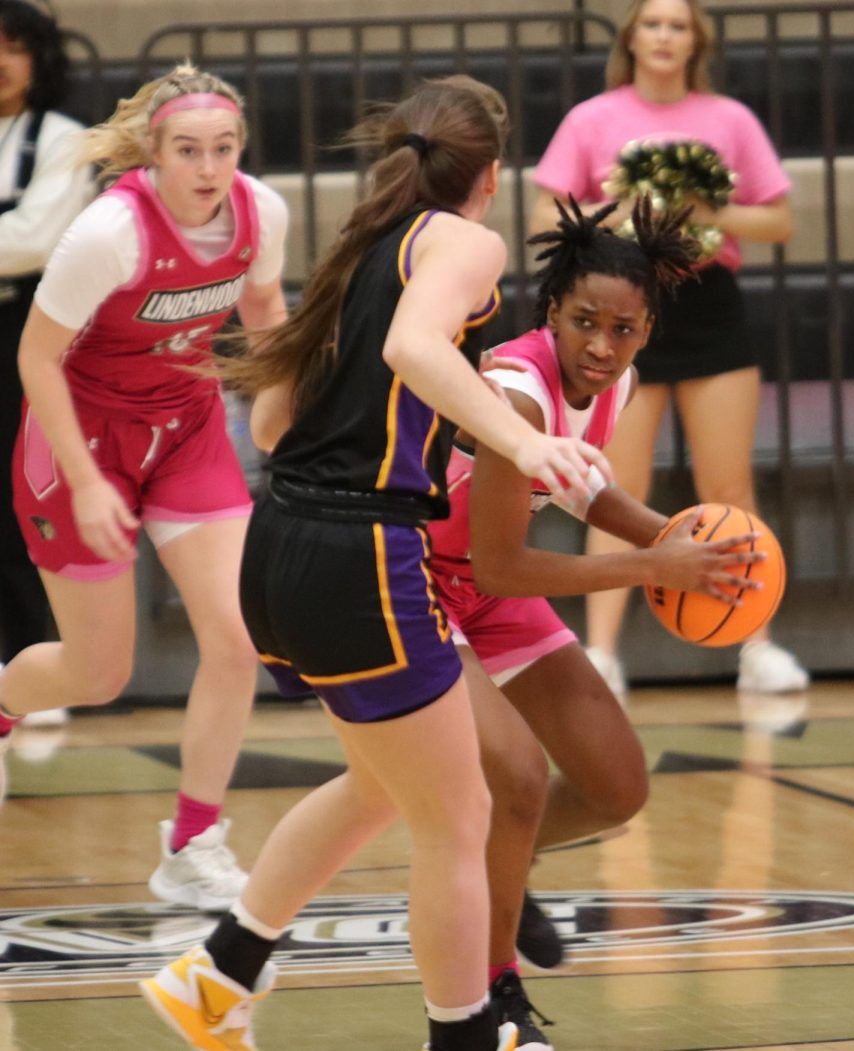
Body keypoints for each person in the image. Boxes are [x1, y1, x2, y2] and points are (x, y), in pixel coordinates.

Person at [141, 76, 611, 1051]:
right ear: (488, 173)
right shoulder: (463, 240)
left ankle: (218, 973)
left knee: (380, 785)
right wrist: (524, 447)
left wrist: (460, 425)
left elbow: (274, 419)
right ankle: (467, 1035)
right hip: (359, 550)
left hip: (282, 544)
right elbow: (412, 347)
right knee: (458, 811)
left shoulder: (365, 247)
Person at [427, 197, 761, 1048]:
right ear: (551, 312)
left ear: (647, 333)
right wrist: (656, 564)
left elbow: (582, 493)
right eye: (585, 323)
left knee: (617, 785)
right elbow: (503, 562)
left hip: (487, 586)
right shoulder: (518, 395)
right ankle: (496, 996)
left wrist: (683, 541)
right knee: (518, 778)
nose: (603, 346)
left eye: (624, 329)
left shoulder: (619, 384)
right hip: (415, 581)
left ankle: (505, 867)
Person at [0, 65, 290, 913]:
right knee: (98, 674)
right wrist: (87, 484)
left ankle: (194, 842)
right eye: (189, 150)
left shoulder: (259, 212)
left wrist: (285, 412)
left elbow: (266, 310)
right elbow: (35, 358)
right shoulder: (108, 233)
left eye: (224, 149)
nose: (208, 168)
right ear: (154, 153)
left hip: (188, 426)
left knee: (238, 642)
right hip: (80, 438)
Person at [530, 0, 806, 699]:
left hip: (711, 308)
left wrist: (708, 214)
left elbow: (778, 219)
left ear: (695, 41)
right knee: (617, 489)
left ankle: (756, 642)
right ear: (631, 38)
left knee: (729, 486)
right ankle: (602, 651)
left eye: (677, 25)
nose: (663, 36)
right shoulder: (592, 119)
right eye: (652, 23)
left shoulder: (730, 120)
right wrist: (624, 216)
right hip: (622, 316)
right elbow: (543, 216)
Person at [0, 0, 93, 727]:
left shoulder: (64, 140)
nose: (1, 60)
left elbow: (34, 240)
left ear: (40, 58)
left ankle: (39, 656)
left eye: (14, 46)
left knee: (25, 492)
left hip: (25, 335)